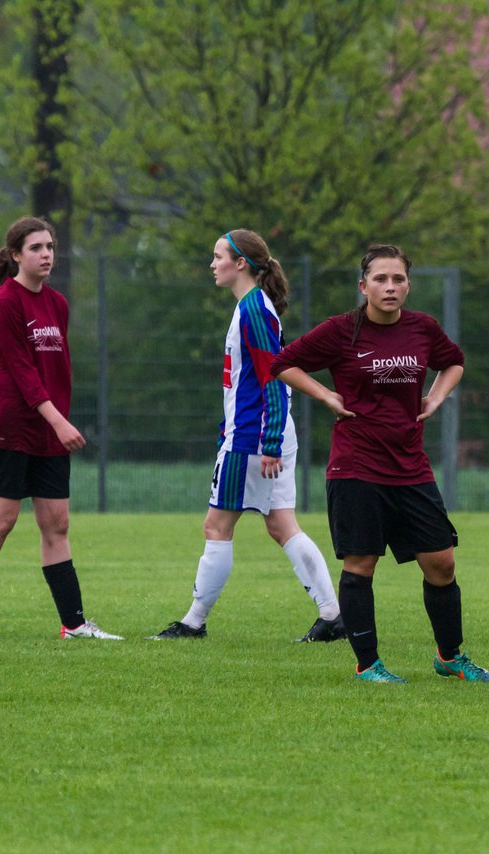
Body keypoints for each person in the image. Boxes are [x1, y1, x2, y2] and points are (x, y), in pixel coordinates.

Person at [271, 244, 489, 684]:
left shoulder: (423, 329)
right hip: (356, 466)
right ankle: (368, 665)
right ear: (363, 286)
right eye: (380, 279)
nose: (390, 287)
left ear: (408, 285)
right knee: (361, 564)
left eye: (398, 279)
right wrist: (326, 395)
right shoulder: (340, 331)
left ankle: (450, 657)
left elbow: (453, 363)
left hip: (411, 465)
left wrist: (435, 397)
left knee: (442, 562)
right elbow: (283, 362)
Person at [147, 229, 344, 643]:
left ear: (240, 263)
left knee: (217, 527)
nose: (212, 264)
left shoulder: (254, 309)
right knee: (282, 526)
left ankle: (193, 623)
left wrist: (268, 440)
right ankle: (333, 615)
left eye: (218, 256)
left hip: (253, 438)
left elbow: (274, 376)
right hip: (257, 433)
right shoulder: (254, 307)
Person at [0, 216, 122, 641]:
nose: (47, 254)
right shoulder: (5, 302)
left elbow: (55, 372)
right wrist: (60, 421)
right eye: (36, 248)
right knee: (2, 519)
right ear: (15, 256)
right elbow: (23, 373)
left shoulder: (58, 303)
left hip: (48, 428)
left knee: (57, 523)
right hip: (6, 424)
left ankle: (75, 624)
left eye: (50, 246)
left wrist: (57, 422)